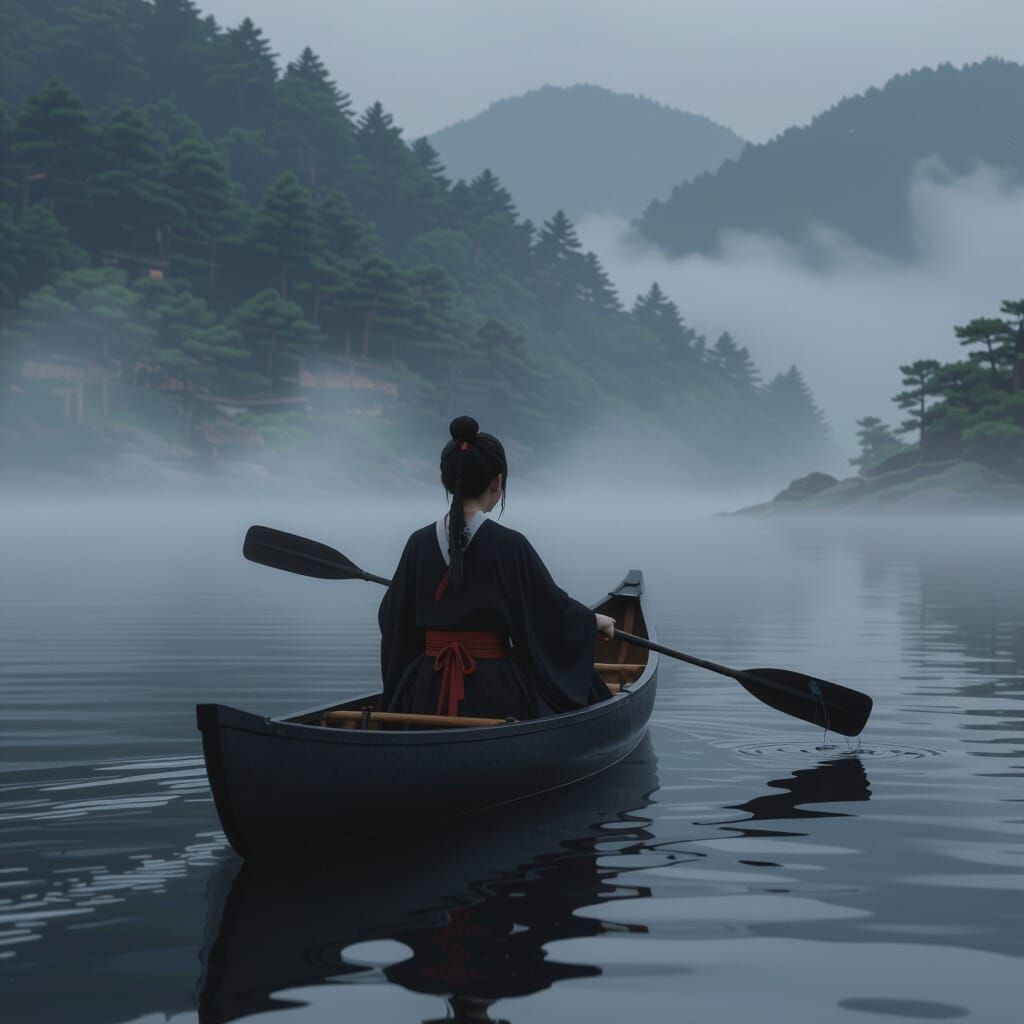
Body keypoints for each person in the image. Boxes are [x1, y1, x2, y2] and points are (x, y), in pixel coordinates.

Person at [379, 415, 615, 720]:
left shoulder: (418, 544)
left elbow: (393, 618)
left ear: (443, 480)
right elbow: (549, 614)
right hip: (494, 694)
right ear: (498, 482)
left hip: (425, 694)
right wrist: (591, 621)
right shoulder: (509, 545)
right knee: (592, 691)